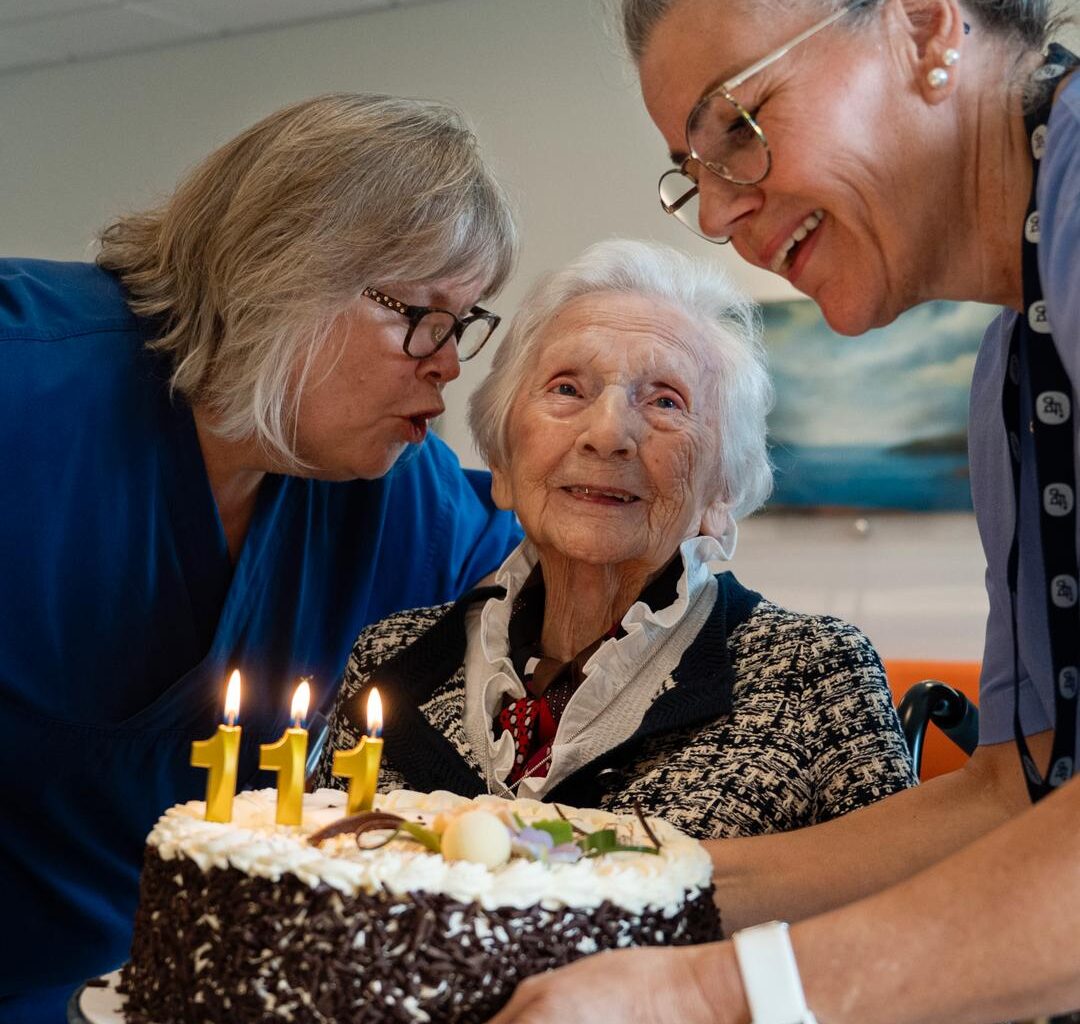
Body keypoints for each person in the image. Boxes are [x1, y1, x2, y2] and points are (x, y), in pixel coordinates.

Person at [488, 1, 1080, 1022]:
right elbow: (1016, 790)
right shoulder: (1010, 377)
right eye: (694, 168)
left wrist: (715, 994)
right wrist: (613, 868)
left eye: (739, 128)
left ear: (929, 28)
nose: (716, 215)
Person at [0, 93, 523, 1022]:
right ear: (285, 272)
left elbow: (575, 599)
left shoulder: (391, 491)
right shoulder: (25, 376)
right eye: (424, 315)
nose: (449, 364)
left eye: (465, 323)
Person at [314, 238, 915, 846]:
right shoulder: (389, 659)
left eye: (664, 401)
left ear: (721, 492)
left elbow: (897, 919)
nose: (608, 435)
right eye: (568, 389)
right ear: (500, 460)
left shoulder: (810, 676)